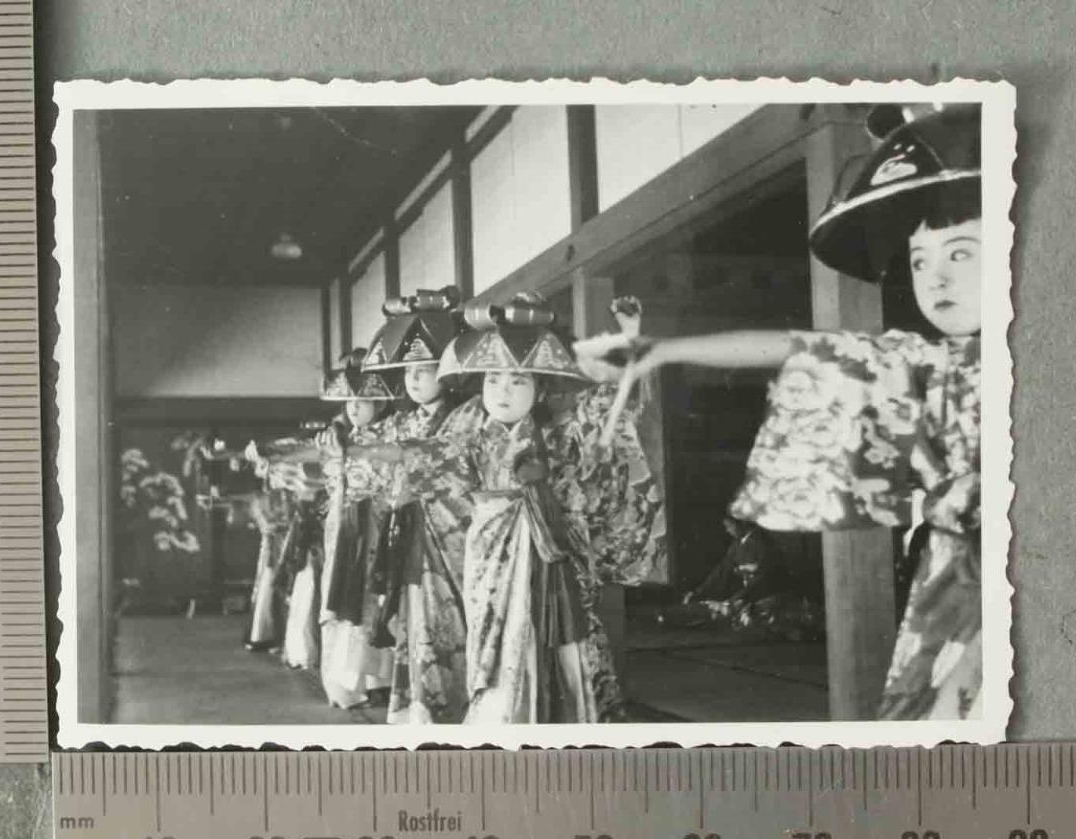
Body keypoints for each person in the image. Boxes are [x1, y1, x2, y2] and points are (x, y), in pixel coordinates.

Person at [576, 103, 983, 720]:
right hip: (949, 583)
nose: (934, 279)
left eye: (960, 253)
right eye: (921, 259)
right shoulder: (924, 359)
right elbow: (799, 347)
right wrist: (665, 349)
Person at [343, 294, 666, 724]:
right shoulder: (469, 435)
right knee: (493, 645)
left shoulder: (563, 436)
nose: (503, 392)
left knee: (555, 638)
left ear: (540, 388)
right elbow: (417, 455)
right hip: (488, 556)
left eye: (518, 381)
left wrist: (629, 337)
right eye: (493, 380)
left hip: (552, 550)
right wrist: (361, 452)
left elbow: (614, 405)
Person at [319, 288, 478, 724]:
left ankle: (459, 711)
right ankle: (419, 707)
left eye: (425, 370)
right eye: (408, 370)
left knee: (457, 622)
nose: (413, 379)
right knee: (416, 618)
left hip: (453, 536)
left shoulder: (469, 415)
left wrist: (397, 457)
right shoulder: (403, 420)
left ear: (449, 373)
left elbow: (457, 465)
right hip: (411, 531)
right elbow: (365, 446)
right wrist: (337, 438)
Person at [312, 349, 399, 709]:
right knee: (343, 595)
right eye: (349, 400)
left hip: (379, 522)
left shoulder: (390, 434)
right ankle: (346, 683)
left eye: (364, 400)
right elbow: (331, 481)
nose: (354, 407)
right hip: (347, 523)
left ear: (380, 404)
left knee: (375, 598)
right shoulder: (340, 436)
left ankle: (378, 679)